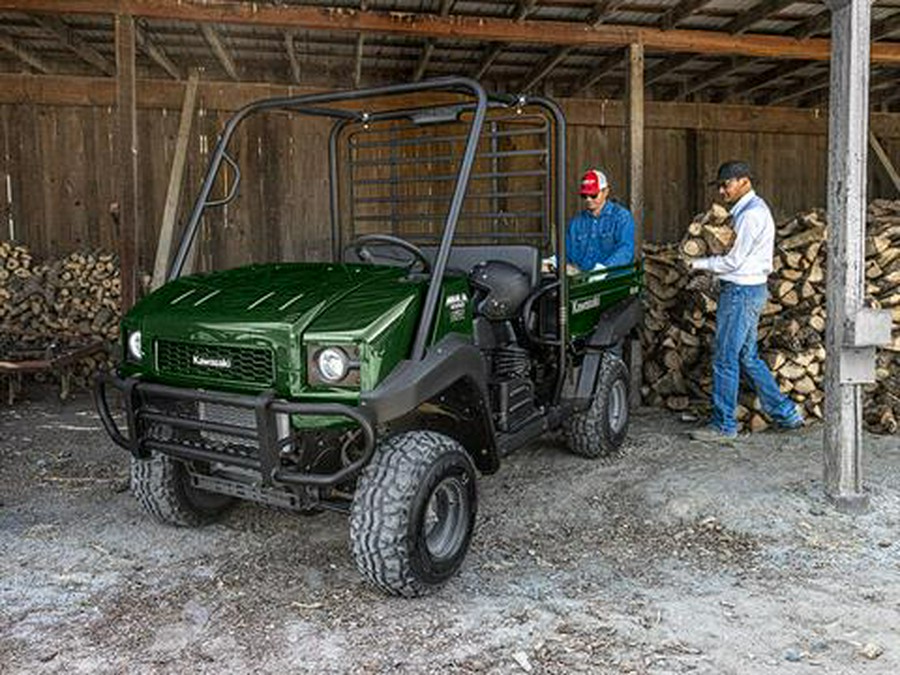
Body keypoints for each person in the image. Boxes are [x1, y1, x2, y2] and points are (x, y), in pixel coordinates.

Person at [687, 160, 805, 442]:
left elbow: (734, 260)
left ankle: (724, 425)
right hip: (749, 290)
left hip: (741, 292)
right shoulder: (748, 211)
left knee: (725, 358)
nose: (721, 192)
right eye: (719, 186)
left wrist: (698, 264)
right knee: (747, 357)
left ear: (744, 182)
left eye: (726, 185)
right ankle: (786, 413)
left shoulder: (750, 215)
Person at [544, 168, 635, 274]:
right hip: (585, 281)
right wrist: (553, 261)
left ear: (606, 191)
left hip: (614, 283)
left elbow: (626, 250)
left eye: (593, 195)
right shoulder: (576, 223)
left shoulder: (621, 217)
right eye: (584, 196)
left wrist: (604, 269)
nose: (588, 199)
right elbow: (566, 254)